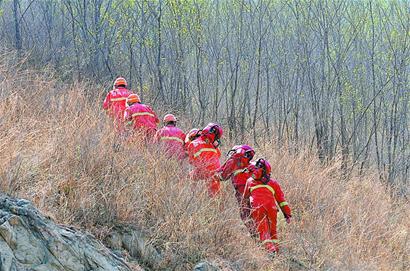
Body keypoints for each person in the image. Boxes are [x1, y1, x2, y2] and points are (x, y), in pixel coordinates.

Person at [243, 158, 291, 254]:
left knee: (263, 231)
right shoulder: (273, 183)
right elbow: (282, 201)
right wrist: (287, 214)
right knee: (273, 232)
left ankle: (270, 252)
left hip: (257, 208)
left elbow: (245, 200)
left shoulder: (249, 181)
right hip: (272, 209)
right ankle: (276, 254)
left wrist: (245, 213)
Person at [218, 145, 256, 232]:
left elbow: (223, 176)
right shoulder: (251, 165)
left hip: (241, 190)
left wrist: (214, 176)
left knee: (245, 212)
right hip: (254, 189)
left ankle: (254, 234)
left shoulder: (232, 162)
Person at [187, 123, 223, 196]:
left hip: (204, 170)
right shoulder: (211, 144)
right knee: (215, 196)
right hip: (217, 172)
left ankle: (192, 196)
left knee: (190, 177)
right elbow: (219, 155)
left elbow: (192, 162)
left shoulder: (193, 144)